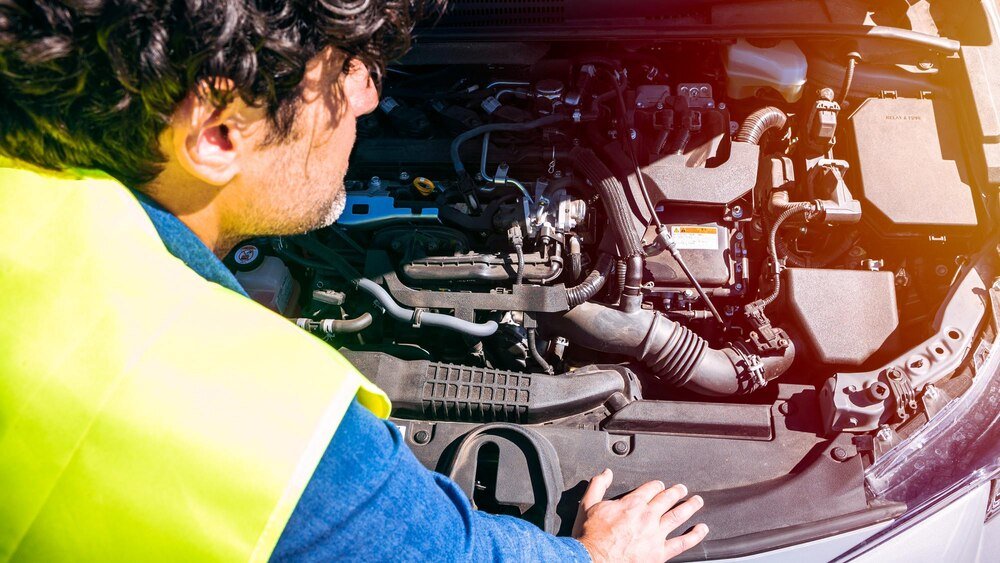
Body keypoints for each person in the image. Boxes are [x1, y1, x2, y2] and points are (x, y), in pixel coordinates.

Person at [0, 1, 709, 561]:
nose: (370, 97)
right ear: (216, 133)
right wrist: (598, 554)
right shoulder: (268, 434)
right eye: (343, 71)